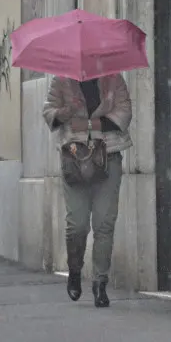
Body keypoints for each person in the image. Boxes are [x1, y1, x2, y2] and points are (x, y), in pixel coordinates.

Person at [42, 73, 132, 308]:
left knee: (104, 223)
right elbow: (49, 113)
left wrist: (89, 124)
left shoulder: (114, 79)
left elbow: (124, 114)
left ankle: (100, 283)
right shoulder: (61, 80)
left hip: (108, 156)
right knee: (77, 224)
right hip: (75, 157)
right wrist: (66, 112)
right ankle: (74, 271)